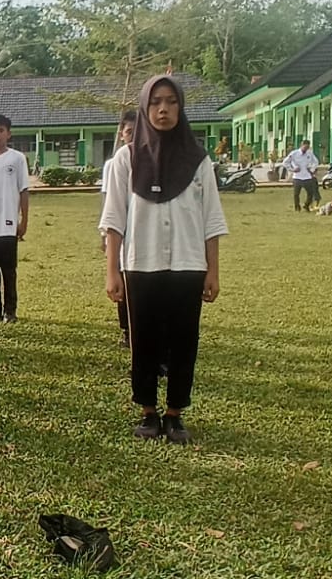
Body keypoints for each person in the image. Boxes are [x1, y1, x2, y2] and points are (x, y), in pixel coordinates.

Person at [100, 75, 227, 444]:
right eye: (156, 102)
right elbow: (113, 221)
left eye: (171, 102)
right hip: (141, 265)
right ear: (145, 107)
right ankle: (148, 412)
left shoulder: (199, 160)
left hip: (189, 267)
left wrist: (213, 271)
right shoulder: (127, 159)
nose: (163, 109)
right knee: (145, 342)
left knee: (184, 341)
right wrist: (112, 272)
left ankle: (175, 414)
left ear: (180, 107)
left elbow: (211, 220)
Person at [0, 114, 30, 324]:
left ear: (8, 134)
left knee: (9, 271)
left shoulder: (17, 158)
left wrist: (24, 220)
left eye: (0, 130)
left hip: (8, 225)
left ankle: (10, 310)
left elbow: (23, 191)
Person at [100, 109, 135, 349]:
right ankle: (127, 330)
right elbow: (109, 202)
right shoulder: (115, 163)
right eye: (129, 132)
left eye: (138, 131)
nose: (133, 136)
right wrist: (105, 234)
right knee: (122, 281)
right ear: (121, 134)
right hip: (120, 232)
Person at [284, 139, 320, 211]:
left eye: (307, 147)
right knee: (296, 194)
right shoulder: (294, 153)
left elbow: (316, 162)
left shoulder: (310, 154)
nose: (305, 149)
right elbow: (285, 162)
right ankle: (297, 207)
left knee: (310, 193)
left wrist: (312, 169)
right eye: (304, 147)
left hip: (307, 177)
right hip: (297, 177)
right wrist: (292, 169)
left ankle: (306, 205)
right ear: (301, 145)